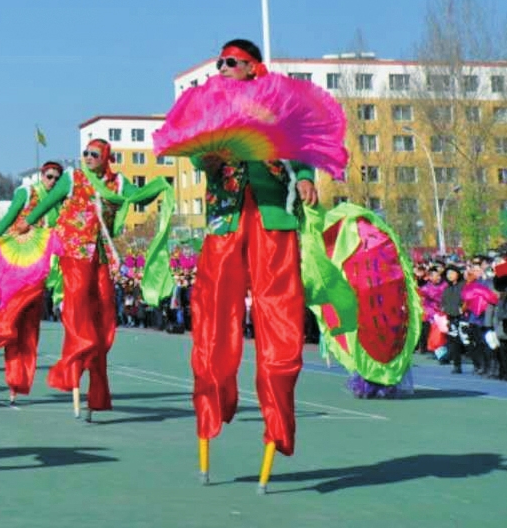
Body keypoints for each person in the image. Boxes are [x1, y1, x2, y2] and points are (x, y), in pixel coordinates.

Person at [182, 38, 321, 489]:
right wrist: (208, 156)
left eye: (232, 62)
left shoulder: (276, 105)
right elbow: (201, 161)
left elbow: (299, 152)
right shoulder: (209, 109)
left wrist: (302, 179)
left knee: (279, 318)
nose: (222, 67)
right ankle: (213, 402)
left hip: (271, 215)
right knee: (211, 318)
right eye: (220, 61)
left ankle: (277, 417)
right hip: (225, 218)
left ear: (252, 67)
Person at [22, 139, 151, 421]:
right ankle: (77, 353)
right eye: (86, 153)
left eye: (95, 154)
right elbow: (48, 202)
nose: (88, 158)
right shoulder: (72, 178)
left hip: (101, 256)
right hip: (74, 251)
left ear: (106, 157)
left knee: (104, 316)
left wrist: (162, 189)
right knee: (78, 305)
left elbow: (140, 197)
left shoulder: (118, 183)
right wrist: (27, 221)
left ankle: (96, 388)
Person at [0, 161, 63, 403]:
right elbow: (7, 219)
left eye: (57, 179)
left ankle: (16, 383)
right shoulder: (26, 193)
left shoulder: (57, 205)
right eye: (50, 177)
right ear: (42, 175)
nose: (52, 182)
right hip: (18, 267)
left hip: (39, 269)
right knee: (12, 315)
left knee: (28, 330)